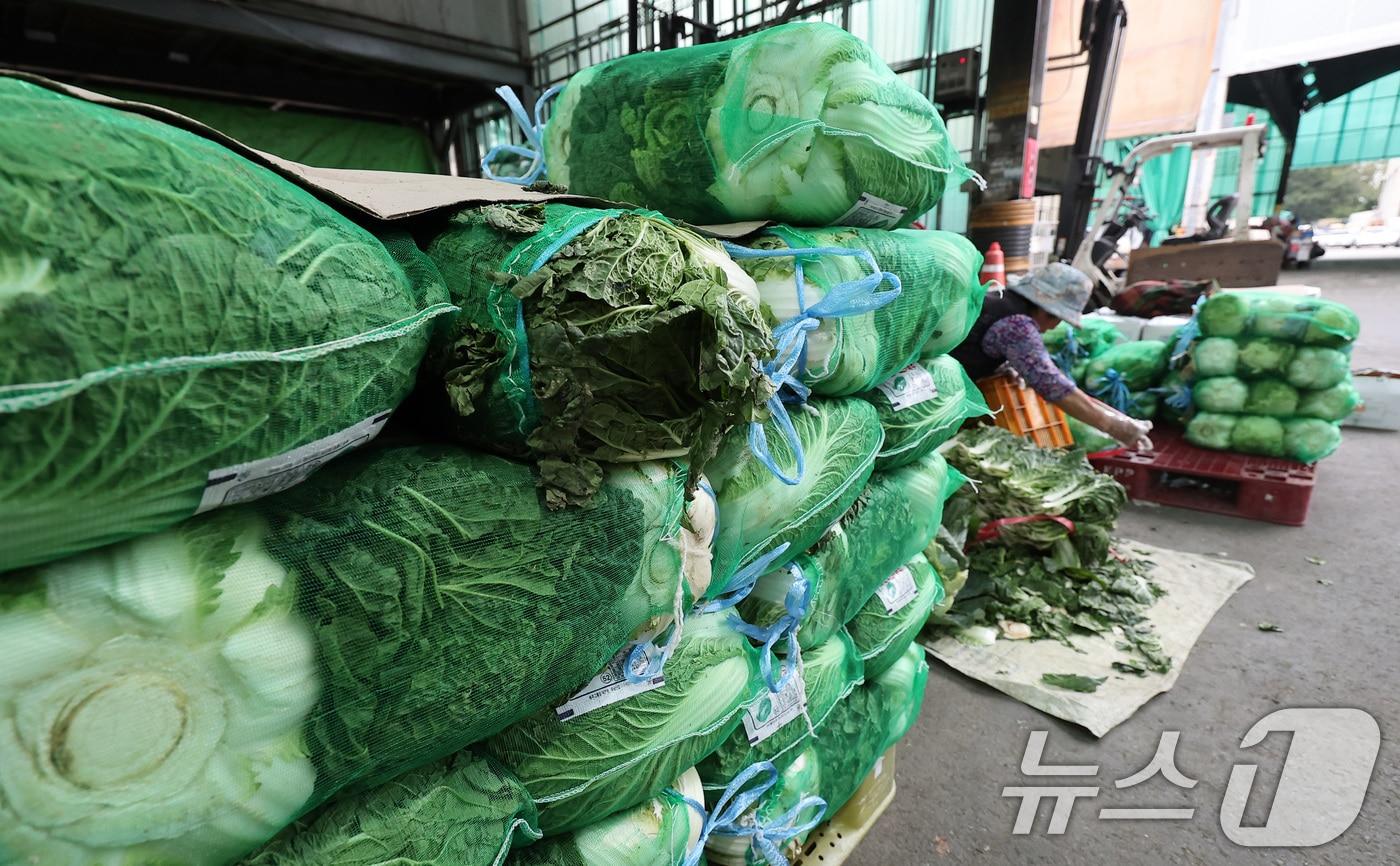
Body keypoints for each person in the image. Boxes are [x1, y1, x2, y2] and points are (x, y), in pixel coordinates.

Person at [951, 262, 1154, 450]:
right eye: (1059, 318)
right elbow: (1053, 385)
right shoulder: (1018, 326)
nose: (1055, 326)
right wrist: (1114, 426)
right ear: (1047, 310)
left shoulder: (999, 298)